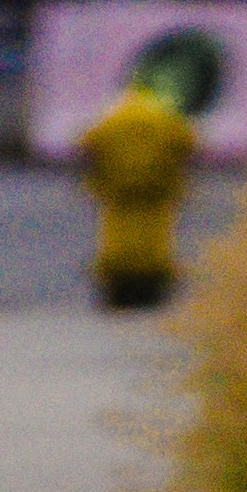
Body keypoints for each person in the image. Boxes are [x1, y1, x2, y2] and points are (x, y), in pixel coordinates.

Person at [75, 44, 206, 308]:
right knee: (154, 235)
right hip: (157, 193)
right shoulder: (166, 115)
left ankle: (118, 277)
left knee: (117, 233)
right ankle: (151, 278)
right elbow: (190, 144)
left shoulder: (114, 114)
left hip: (117, 193)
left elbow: (87, 143)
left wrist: (94, 180)